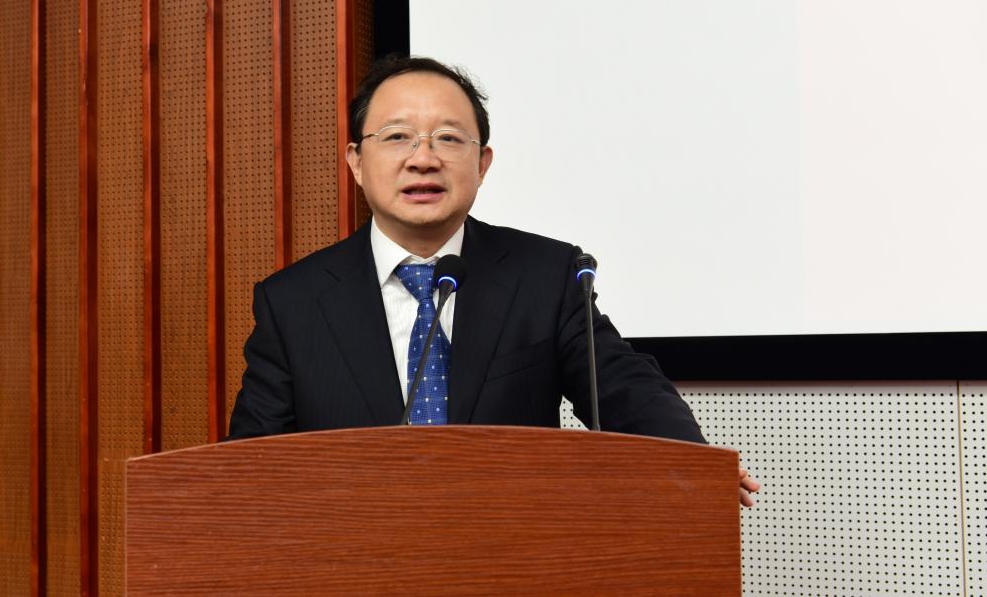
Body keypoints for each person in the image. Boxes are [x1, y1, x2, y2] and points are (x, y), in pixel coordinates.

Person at [227, 55, 760, 506]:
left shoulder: (545, 274)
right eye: (397, 137)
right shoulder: (292, 302)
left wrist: (693, 461)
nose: (423, 159)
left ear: (482, 164)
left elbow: (624, 385)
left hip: (512, 556)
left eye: (448, 138)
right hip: (349, 561)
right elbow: (251, 467)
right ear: (357, 162)